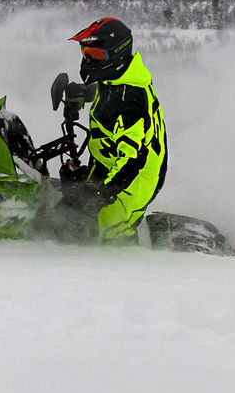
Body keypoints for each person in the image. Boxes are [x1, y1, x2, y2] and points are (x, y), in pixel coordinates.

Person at [57, 17, 167, 242]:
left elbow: (132, 160)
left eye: (95, 56)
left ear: (116, 54)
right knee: (68, 208)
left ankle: (126, 266)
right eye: (85, 53)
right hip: (107, 159)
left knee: (103, 235)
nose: (87, 60)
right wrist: (83, 93)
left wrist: (100, 193)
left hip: (134, 181)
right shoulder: (118, 76)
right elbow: (107, 91)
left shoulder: (130, 102)